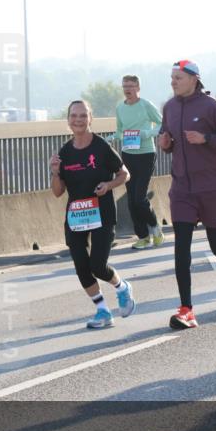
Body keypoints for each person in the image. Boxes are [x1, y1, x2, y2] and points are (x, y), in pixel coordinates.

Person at [157, 60, 216, 330]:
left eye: (178, 78)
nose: (173, 82)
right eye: (171, 77)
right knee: (181, 248)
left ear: (194, 79)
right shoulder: (169, 107)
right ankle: (186, 310)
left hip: (211, 187)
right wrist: (165, 143)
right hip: (182, 188)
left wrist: (206, 138)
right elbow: (166, 137)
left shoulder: (211, 106)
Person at [51, 100, 135, 328]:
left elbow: (124, 174)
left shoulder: (101, 147)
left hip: (102, 213)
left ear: (90, 119)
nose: (77, 120)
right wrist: (56, 173)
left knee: (98, 265)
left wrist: (108, 186)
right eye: (73, 116)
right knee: (81, 266)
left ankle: (122, 287)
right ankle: (102, 311)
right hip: (76, 216)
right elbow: (58, 192)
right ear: (68, 120)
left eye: (82, 116)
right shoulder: (64, 152)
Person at [115, 75, 165, 249]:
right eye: (124, 86)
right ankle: (143, 236)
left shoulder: (146, 105)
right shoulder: (120, 108)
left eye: (131, 86)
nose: (127, 89)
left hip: (146, 154)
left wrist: (147, 133)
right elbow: (120, 130)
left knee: (139, 198)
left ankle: (155, 228)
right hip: (128, 154)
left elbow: (162, 124)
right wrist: (113, 137)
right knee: (131, 200)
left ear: (138, 87)